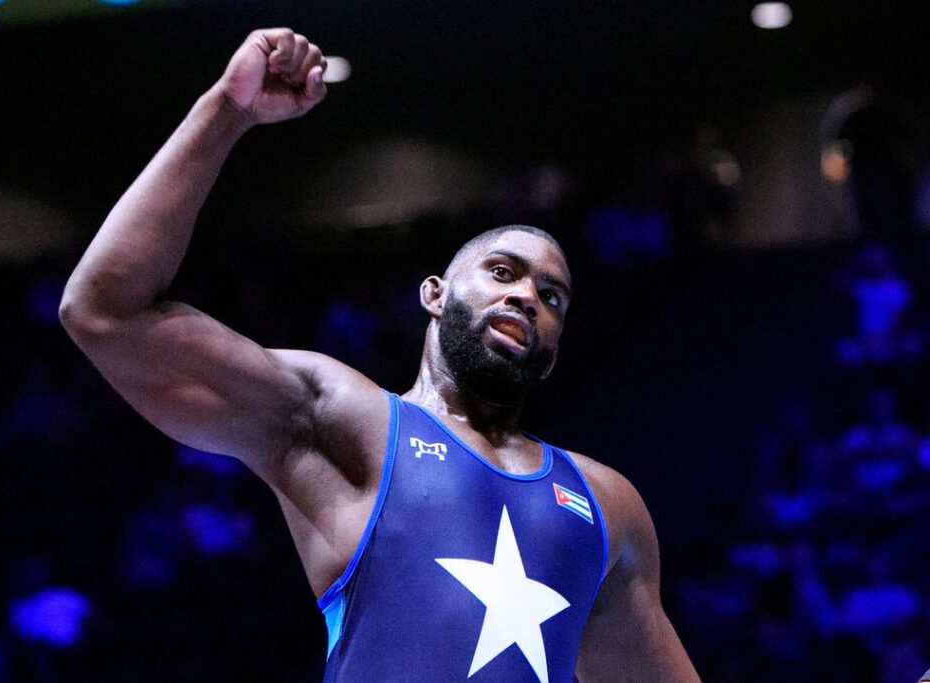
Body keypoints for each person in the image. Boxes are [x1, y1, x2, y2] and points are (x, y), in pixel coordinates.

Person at [59, 27, 700, 682]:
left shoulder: (607, 507)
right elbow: (106, 312)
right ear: (434, 293)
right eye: (503, 271)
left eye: (552, 296)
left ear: (555, 350)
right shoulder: (344, 419)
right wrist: (228, 110)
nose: (526, 296)